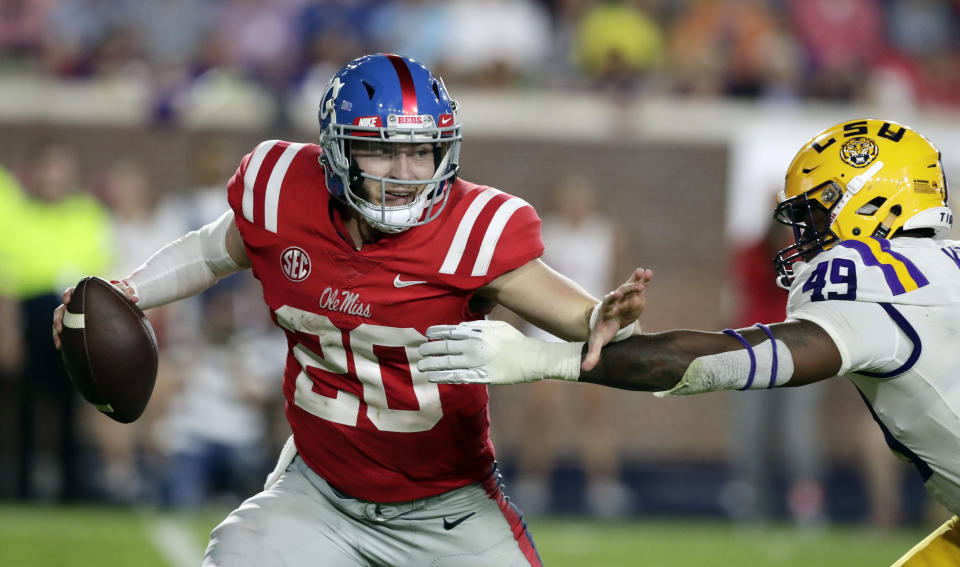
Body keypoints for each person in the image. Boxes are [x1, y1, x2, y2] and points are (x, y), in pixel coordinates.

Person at [52, 53, 645, 567]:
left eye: (422, 152)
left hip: (448, 509)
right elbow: (212, 252)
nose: (408, 175)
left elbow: (587, 322)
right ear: (336, 150)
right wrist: (125, 292)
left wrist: (603, 319)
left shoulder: (474, 230)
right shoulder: (284, 193)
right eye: (382, 153)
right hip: (320, 493)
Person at [418, 118, 960, 566]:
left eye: (815, 213)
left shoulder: (870, 277)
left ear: (872, 205)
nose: (804, 235)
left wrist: (544, 357)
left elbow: (705, 363)